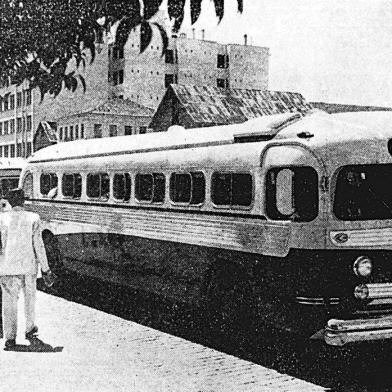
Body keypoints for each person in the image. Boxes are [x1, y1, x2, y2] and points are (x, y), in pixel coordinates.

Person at [0, 188, 56, 350]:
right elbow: (39, 245)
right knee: (30, 299)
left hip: (8, 267)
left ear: (9, 201)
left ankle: (10, 337)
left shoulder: (1, 219)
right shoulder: (34, 218)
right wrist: (45, 269)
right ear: (24, 201)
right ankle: (30, 328)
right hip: (29, 266)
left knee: (9, 302)